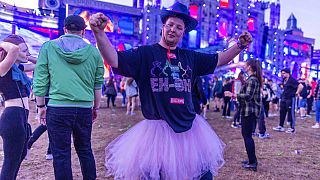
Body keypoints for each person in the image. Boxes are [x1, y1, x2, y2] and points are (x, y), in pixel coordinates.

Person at [90, 2, 252, 179]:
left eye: (179, 27)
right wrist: (99, 33)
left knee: (202, 175)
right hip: (155, 134)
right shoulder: (145, 54)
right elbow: (114, 60)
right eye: (170, 25)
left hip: (190, 132)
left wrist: (239, 46)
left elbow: (219, 59)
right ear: (163, 27)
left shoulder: (191, 57)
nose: (173, 29)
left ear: (183, 32)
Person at [32, 15, 105, 179]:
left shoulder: (48, 47)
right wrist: (96, 107)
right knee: (85, 149)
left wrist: (41, 106)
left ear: (64, 29)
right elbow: (97, 84)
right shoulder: (94, 52)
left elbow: (40, 80)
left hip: (57, 108)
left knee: (60, 155)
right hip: (84, 109)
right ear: (83, 32)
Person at [0, 35, 35, 179]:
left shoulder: (17, 68)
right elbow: (13, 49)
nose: (27, 52)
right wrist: (3, 44)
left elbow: (39, 63)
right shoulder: (3, 67)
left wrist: (26, 55)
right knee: (10, 162)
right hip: (12, 117)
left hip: (21, 118)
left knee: (18, 159)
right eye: (24, 50)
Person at [237, 59, 263, 171]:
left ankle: (252, 162)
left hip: (250, 112)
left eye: (245, 64)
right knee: (246, 135)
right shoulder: (252, 79)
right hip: (248, 111)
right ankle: (251, 160)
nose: (244, 66)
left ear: (249, 67)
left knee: (247, 136)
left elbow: (248, 96)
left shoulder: (252, 80)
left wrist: (234, 95)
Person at [272, 68, 303, 134]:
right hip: (284, 98)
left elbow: (301, 86)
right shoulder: (284, 80)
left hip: (290, 99)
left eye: (283, 73)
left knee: (290, 113)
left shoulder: (292, 80)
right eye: (282, 73)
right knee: (282, 112)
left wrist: (297, 93)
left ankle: (292, 128)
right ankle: (281, 126)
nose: (282, 74)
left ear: (288, 73)